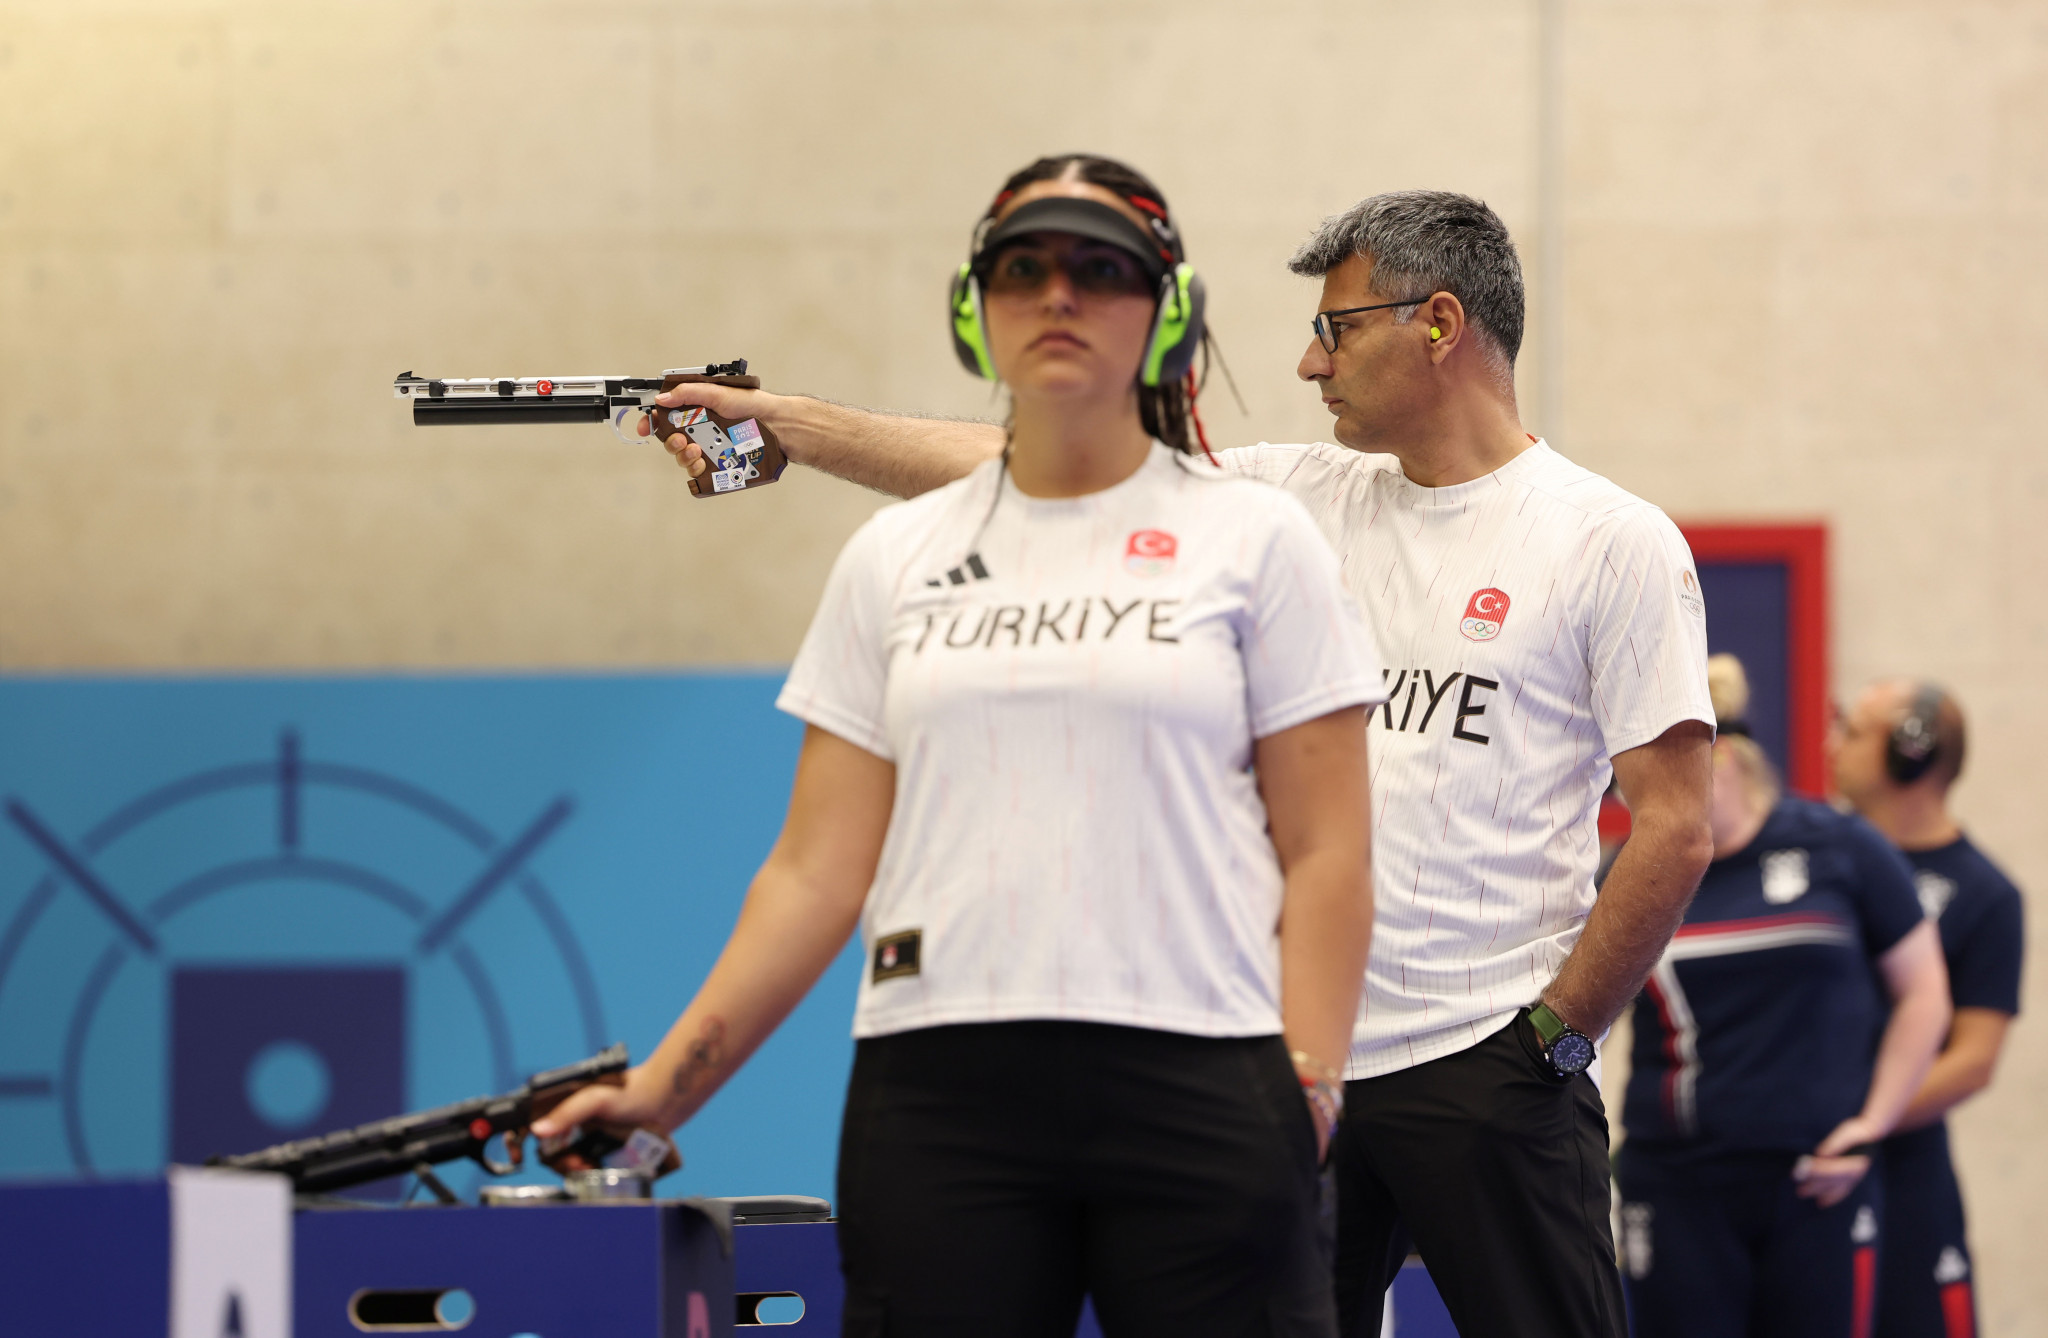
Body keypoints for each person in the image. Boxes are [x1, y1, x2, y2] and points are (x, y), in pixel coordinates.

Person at [653, 179, 1719, 1338]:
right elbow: (999, 462)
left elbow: (1672, 822)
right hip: (1287, 1067)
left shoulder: (1606, 539)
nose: (1310, 365)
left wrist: (1552, 1039)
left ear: (1438, 323)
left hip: (1485, 1062)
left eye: (1336, 327)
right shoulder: (1283, 501)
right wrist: (796, 430)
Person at [540, 155, 1386, 1337]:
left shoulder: (1258, 543)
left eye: (1101, 271)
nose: (1057, 295)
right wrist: (665, 1088)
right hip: (940, 1098)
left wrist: (1308, 1084)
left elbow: (1330, 854)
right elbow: (812, 874)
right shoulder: (895, 559)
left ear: (1166, 310)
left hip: (1205, 1080)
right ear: (970, 309)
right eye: (1022, 268)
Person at [1615, 655, 1952, 1338]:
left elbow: (1924, 993)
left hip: (1815, 1179)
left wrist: (1874, 1121)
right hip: (1677, 1184)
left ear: (1727, 761)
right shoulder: (1629, 873)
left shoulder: (1841, 847)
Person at [1829, 681, 2025, 1338]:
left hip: (1904, 1178)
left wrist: (1860, 1122)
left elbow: (1972, 1060)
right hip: (1799, 1176)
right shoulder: (1816, 866)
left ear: (1909, 754)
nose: (1833, 747)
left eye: (1852, 732)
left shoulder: (1984, 892)